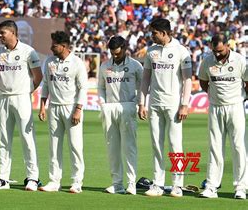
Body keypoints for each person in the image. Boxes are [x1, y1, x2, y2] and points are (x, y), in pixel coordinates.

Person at [0, 20, 42, 191]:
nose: (0, 36)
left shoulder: (28, 51)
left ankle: (33, 177)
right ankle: (3, 178)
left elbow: (38, 76)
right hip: (3, 98)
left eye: (3, 33)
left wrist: (27, 91)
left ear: (12, 33)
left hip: (21, 98)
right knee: (4, 139)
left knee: (27, 139)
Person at [138, 18, 192, 197]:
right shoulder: (151, 51)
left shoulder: (181, 51)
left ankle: (178, 184)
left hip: (174, 105)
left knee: (176, 145)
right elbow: (145, 79)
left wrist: (185, 104)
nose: (151, 36)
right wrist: (142, 102)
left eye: (154, 33)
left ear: (164, 32)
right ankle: (158, 184)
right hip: (154, 103)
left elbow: (187, 80)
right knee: (156, 145)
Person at [198, 34, 247, 199]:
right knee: (215, 147)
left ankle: (240, 188)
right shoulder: (207, 60)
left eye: (220, 51)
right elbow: (204, 81)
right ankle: (211, 187)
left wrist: (241, 97)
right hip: (215, 108)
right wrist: (213, 96)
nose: (217, 54)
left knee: (239, 147)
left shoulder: (240, 60)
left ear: (227, 45)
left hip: (235, 107)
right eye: (214, 51)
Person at [38, 31, 87, 194]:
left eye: (54, 45)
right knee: (54, 146)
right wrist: (43, 106)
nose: (51, 48)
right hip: (54, 108)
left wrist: (78, 110)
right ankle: (54, 181)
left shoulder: (77, 62)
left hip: (71, 107)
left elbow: (82, 88)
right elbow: (45, 84)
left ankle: (77, 181)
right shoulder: (49, 61)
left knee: (75, 146)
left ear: (64, 46)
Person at [97, 36, 143, 195]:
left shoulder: (135, 66)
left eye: (118, 53)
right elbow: (101, 88)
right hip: (109, 108)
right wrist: (103, 105)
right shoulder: (104, 66)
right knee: (112, 148)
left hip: (127, 107)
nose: (115, 57)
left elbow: (143, 86)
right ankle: (117, 184)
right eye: (112, 53)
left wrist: (138, 104)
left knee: (129, 147)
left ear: (124, 48)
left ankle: (131, 184)